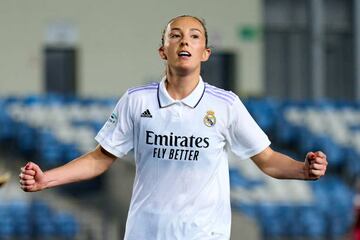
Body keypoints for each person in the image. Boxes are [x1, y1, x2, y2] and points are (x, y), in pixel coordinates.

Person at [19, 15, 328, 239]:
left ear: (205, 53)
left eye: (194, 36)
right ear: (162, 50)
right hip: (145, 232)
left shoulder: (226, 105)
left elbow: (267, 159)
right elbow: (100, 158)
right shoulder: (136, 101)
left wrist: (303, 170)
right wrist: (48, 179)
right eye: (175, 35)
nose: (184, 41)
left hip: (204, 234)